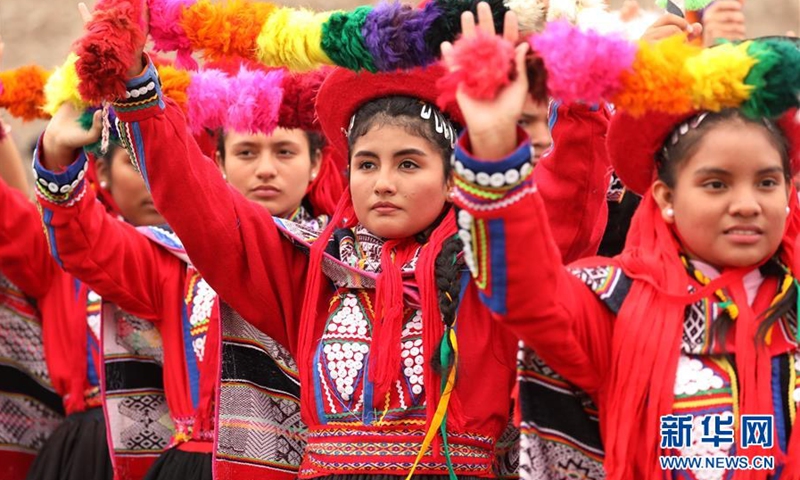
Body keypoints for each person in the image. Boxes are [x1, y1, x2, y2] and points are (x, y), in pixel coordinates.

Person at [491, 34, 800, 480]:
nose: (747, 204)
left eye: (767, 183)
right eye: (716, 184)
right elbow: (525, 291)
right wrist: (493, 159)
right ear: (666, 197)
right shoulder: (610, 301)